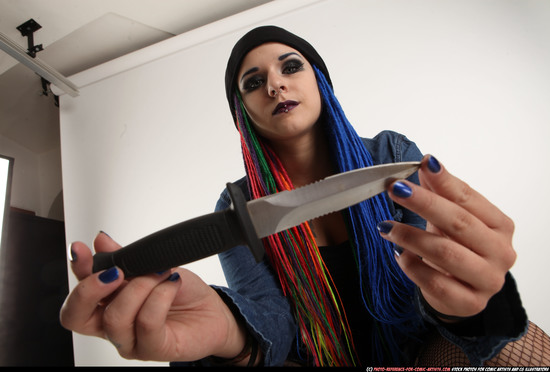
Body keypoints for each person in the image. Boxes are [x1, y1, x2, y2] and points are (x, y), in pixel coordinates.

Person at [60, 25, 545, 367]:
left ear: (321, 82)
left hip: (421, 348)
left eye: (290, 66)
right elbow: (270, 323)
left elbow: (429, 285)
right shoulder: (234, 209)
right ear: (243, 111)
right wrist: (231, 334)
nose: (274, 83)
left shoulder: (391, 155)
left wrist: (471, 299)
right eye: (253, 83)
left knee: (515, 343)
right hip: (312, 359)